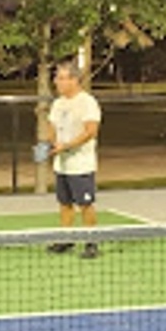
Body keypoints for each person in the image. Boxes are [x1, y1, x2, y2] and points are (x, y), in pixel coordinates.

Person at [44, 60, 102, 258]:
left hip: (81, 164)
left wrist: (66, 146)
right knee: (64, 203)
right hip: (62, 165)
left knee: (85, 204)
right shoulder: (58, 103)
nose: (56, 82)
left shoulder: (87, 102)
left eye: (61, 78)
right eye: (56, 78)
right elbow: (51, 128)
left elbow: (90, 132)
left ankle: (91, 242)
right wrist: (51, 145)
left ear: (74, 80)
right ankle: (66, 239)